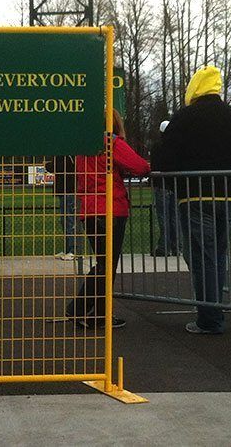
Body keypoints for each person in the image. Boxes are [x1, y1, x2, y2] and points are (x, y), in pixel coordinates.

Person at [154, 66, 231, 335]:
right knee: (218, 254)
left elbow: (166, 159)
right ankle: (213, 308)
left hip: (194, 195)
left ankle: (209, 317)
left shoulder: (184, 118)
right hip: (227, 194)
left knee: (201, 256)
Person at [65, 109, 150, 329]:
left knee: (104, 263)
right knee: (106, 265)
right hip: (111, 208)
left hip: (89, 209)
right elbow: (140, 166)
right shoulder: (111, 143)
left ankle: (99, 314)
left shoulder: (83, 147)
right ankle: (81, 308)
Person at [150, 120, 181, 256]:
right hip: (174, 185)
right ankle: (177, 246)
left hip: (161, 186)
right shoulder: (177, 146)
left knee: (163, 218)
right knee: (175, 217)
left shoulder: (157, 146)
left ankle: (164, 247)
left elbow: (154, 165)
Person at [45, 156, 78, 261]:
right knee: (66, 221)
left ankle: (73, 251)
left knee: (69, 221)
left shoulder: (67, 155)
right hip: (66, 190)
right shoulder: (66, 155)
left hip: (68, 190)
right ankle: (69, 249)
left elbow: (55, 167)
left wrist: (47, 164)